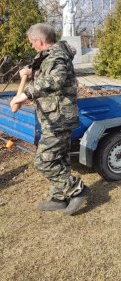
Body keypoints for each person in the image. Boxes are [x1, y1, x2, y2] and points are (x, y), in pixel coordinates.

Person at [10, 23, 91, 215]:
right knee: (59, 158)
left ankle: (77, 190)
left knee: (44, 161)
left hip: (59, 118)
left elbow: (55, 80)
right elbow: (43, 68)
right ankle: (59, 198)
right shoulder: (51, 55)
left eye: (32, 43)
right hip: (53, 118)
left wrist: (25, 95)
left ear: (39, 41)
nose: (31, 46)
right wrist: (30, 71)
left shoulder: (57, 57)